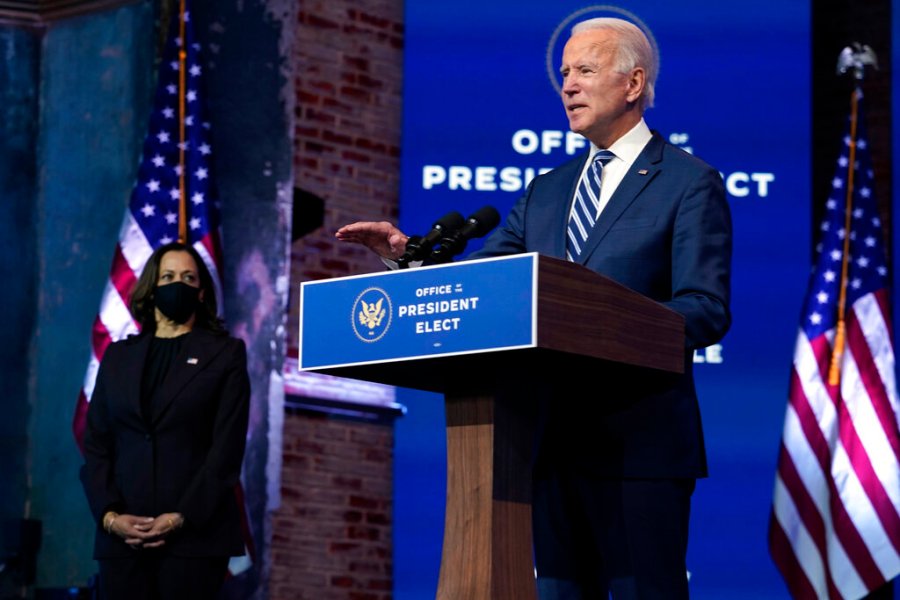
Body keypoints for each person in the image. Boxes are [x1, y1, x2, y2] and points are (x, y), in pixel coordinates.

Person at [336, 16, 731, 599]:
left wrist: (599, 321)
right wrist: (409, 263)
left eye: (585, 71)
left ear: (632, 83)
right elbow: (484, 283)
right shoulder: (547, 189)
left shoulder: (687, 182)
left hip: (638, 446)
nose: (567, 84)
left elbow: (704, 308)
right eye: (565, 72)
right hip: (547, 445)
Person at [79, 241, 251, 600]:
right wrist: (111, 517)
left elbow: (226, 450)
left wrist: (181, 516)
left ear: (201, 292)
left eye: (188, 277)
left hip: (194, 541)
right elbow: (96, 444)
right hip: (123, 540)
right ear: (151, 288)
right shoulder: (118, 356)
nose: (178, 284)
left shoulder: (225, 354)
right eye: (169, 276)